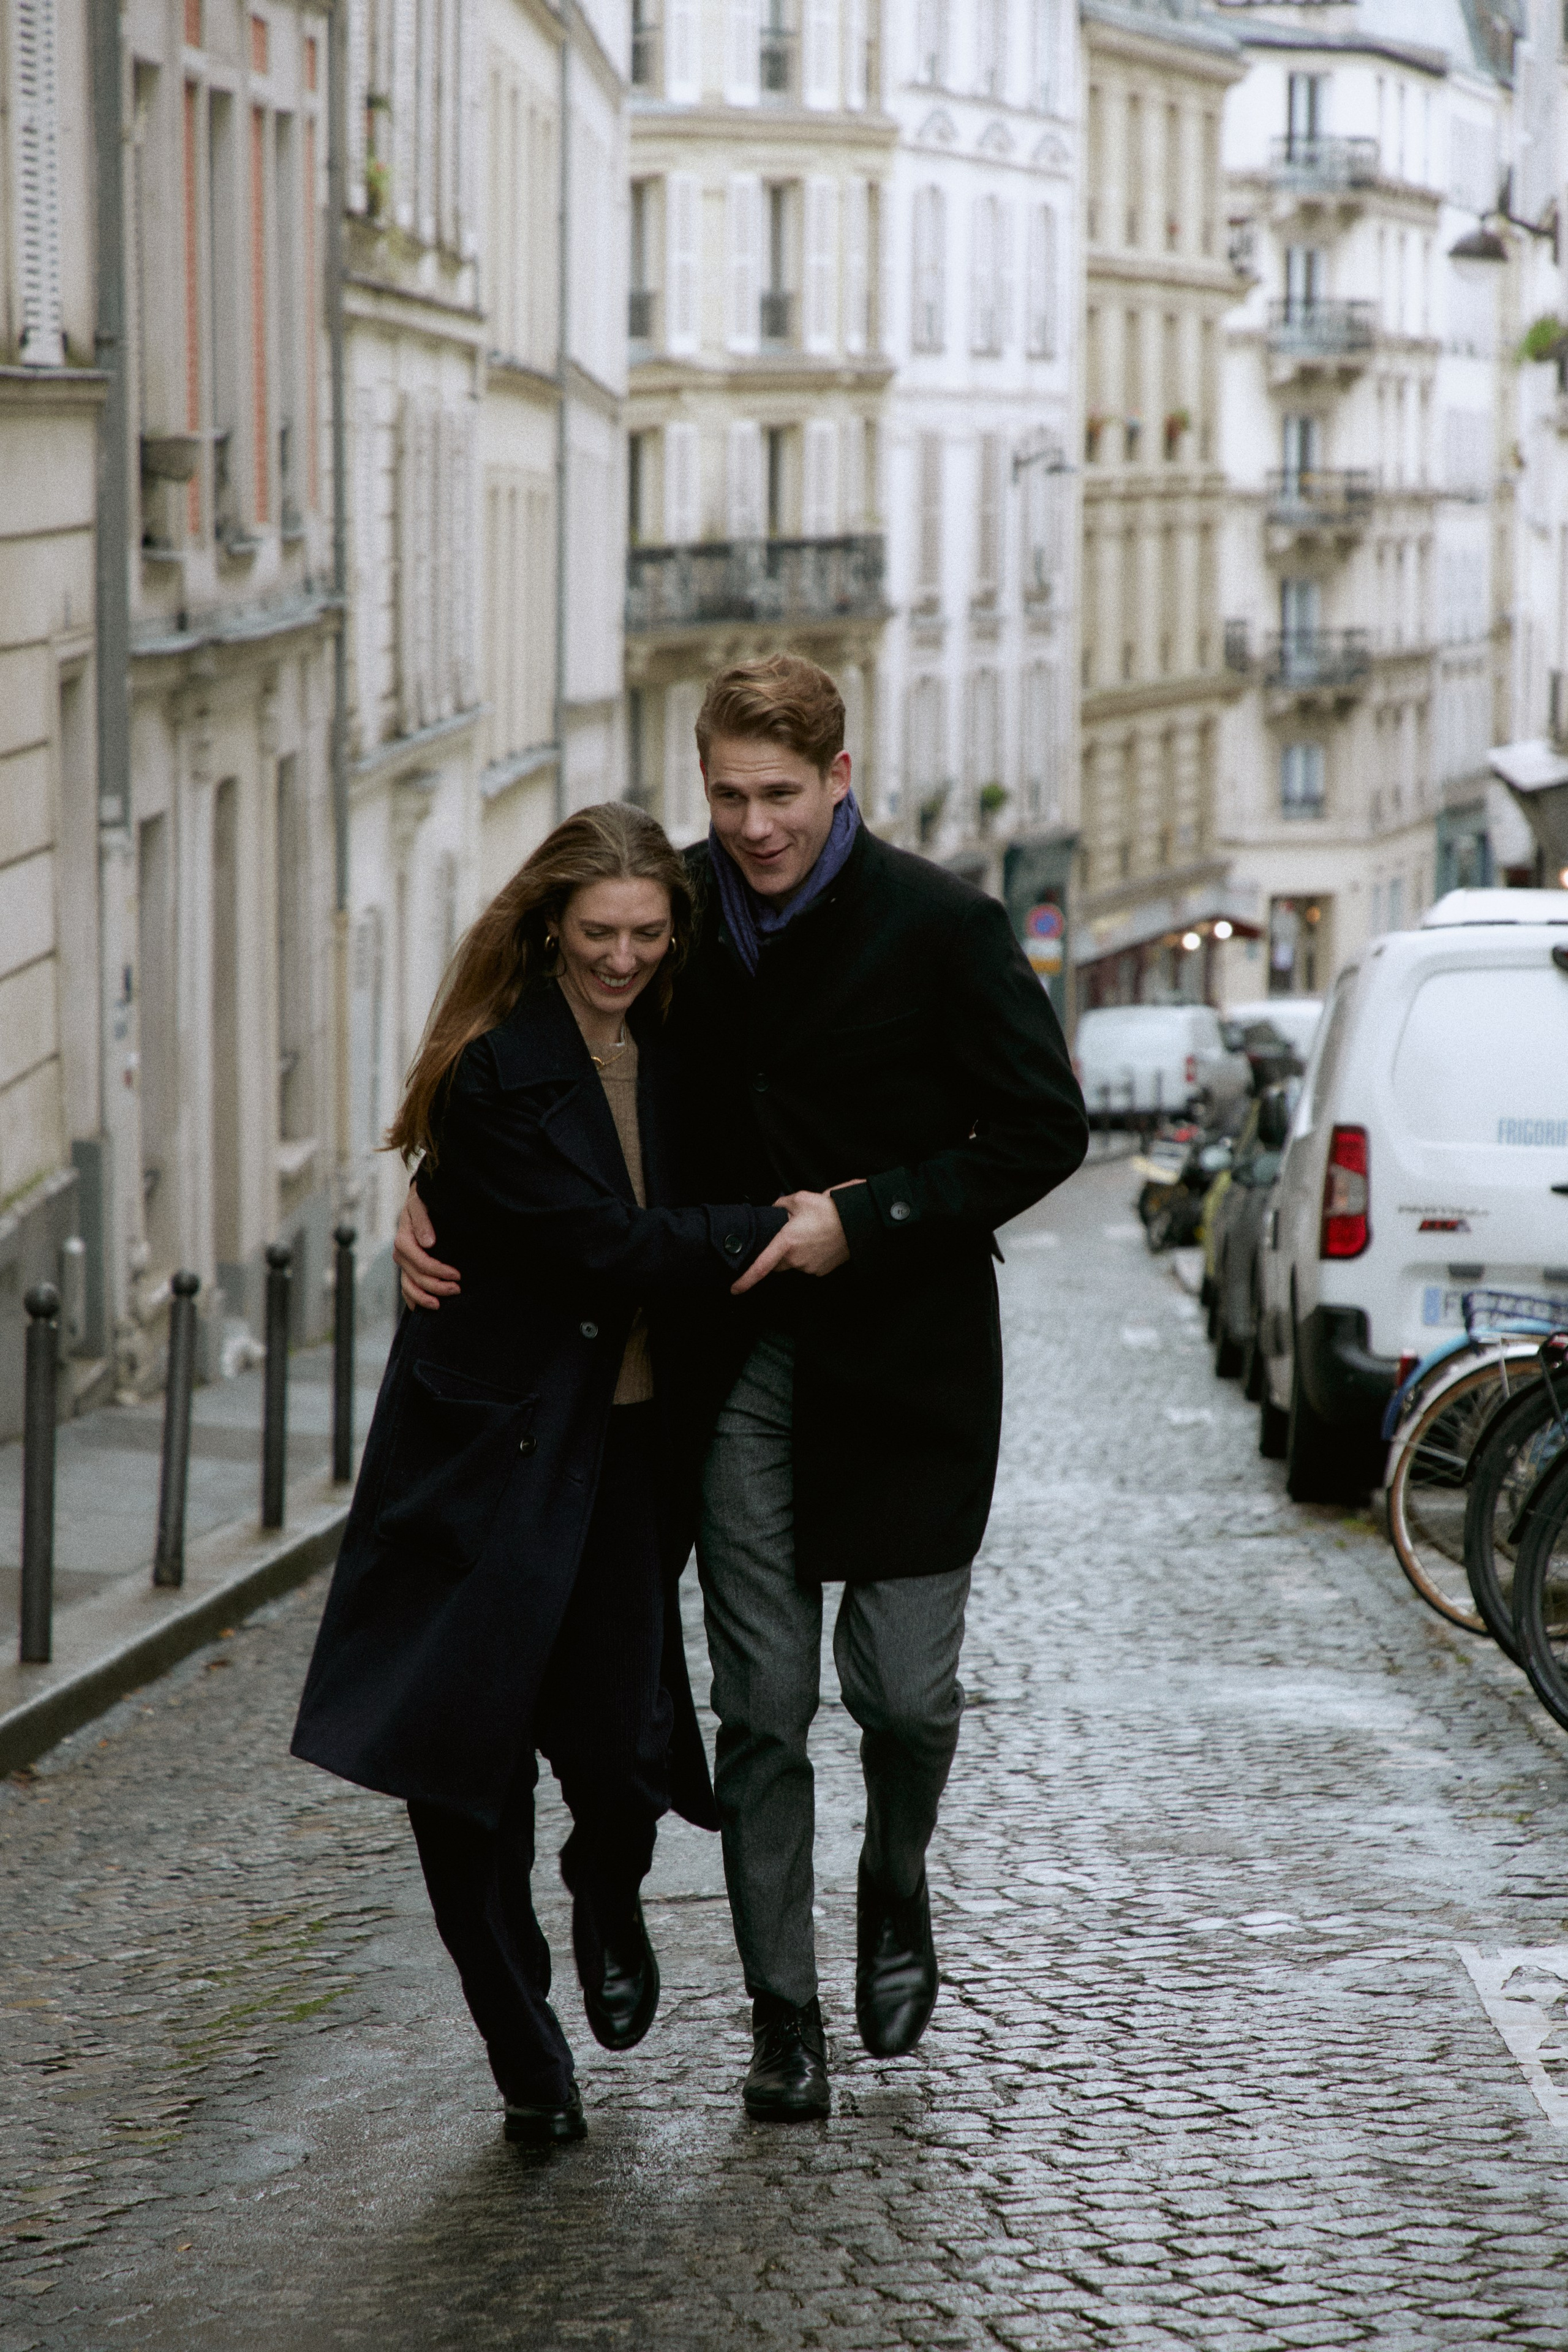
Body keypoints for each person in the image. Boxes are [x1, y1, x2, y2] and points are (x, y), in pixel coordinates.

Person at [395, 657, 1089, 2123]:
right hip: (729, 1363)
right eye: (728, 795)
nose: (754, 825)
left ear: (842, 777)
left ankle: (893, 1887)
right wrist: (434, 1190)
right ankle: (784, 2015)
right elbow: (531, 1048)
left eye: (780, 795)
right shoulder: (679, 917)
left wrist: (875, 1215)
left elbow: (1041, 1132)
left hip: (908, 1371)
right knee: (758, 1708)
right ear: (699, 783)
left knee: (902, 1701)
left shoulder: (946, 925)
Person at [292, 802, 848, 2149]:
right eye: (597, 933)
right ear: (549, 925)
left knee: (622, 1739)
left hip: (629, 1447)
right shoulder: (493, 1072)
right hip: (484, 1449)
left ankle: (607, 1885)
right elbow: (601, 1243)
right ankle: (522, 2046)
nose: (621, 958)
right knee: (459, 1761)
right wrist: (775, 1233)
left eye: (648, 933)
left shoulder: (685, 1035)